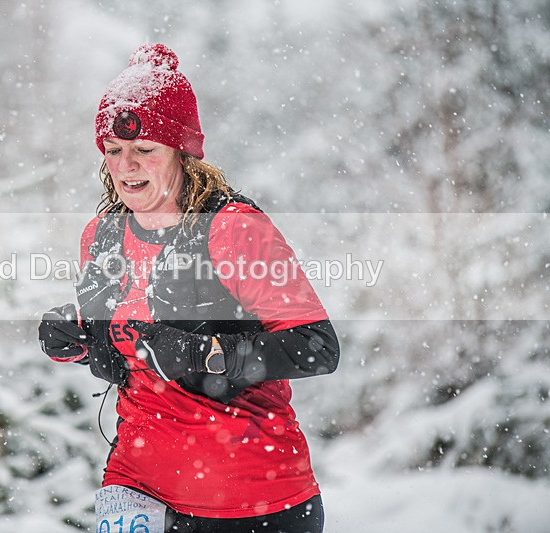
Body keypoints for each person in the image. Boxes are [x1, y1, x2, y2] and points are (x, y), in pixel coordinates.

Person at [38, 43, 339, 533]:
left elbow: (317, 348)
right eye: (113, 151)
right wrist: (75, 339)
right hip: (137, 489)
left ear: (182, 152)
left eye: (144, 150)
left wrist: (207, 355)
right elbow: (127, 351)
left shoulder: (233, 229)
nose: (126, 166)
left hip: (254, 502)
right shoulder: (102, 235)